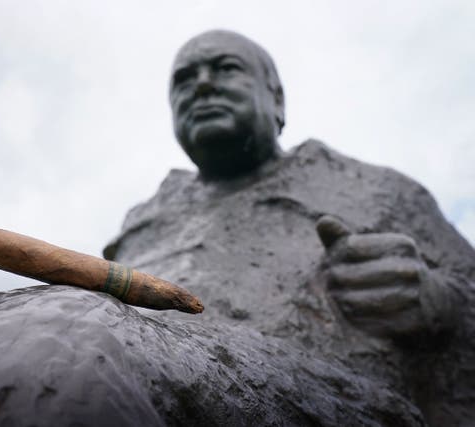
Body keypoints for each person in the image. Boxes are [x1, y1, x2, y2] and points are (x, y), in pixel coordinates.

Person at [105, 29, 475, 424]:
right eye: (184, 79)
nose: (203, 86)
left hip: (331, 400)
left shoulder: (378, 190)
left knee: (77, 340)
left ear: (277, 100)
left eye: (226, 69)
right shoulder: (140, 223)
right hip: (142, 374)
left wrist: (438, 301)